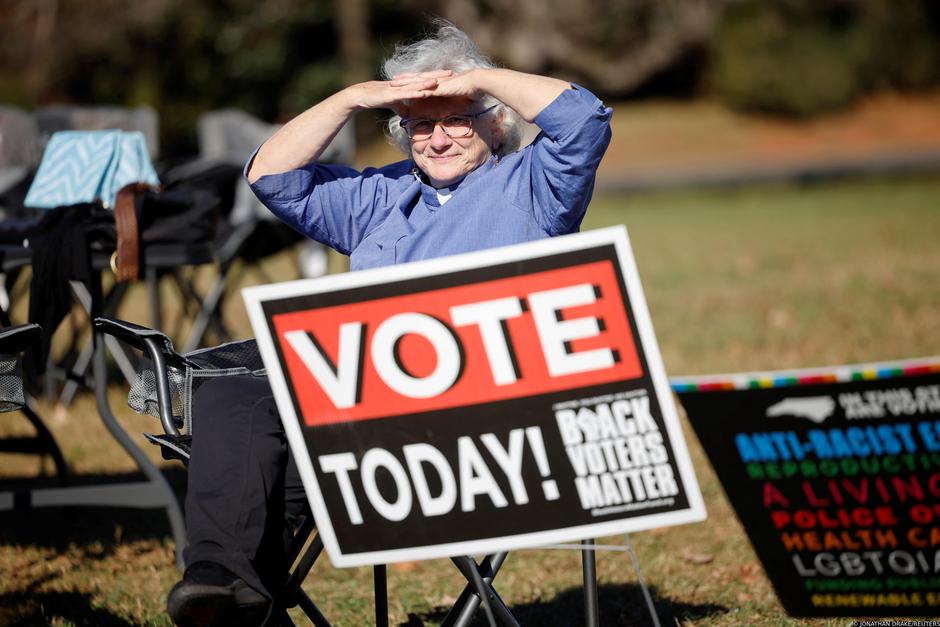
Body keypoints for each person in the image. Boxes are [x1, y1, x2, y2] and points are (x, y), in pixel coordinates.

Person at [167, 20, 611, 627]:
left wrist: (474, 78)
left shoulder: (534, 186)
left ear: (496, 121)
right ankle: (218, 585)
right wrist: (353, 98)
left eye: (459, 118)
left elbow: (585, 121)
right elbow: (269, 176)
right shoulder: (381, 196)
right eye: (421, 124)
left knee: (260, 483)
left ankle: (235, 591)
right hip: (367, 420)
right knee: (236, 403)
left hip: (485, 429)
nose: (439, 138)